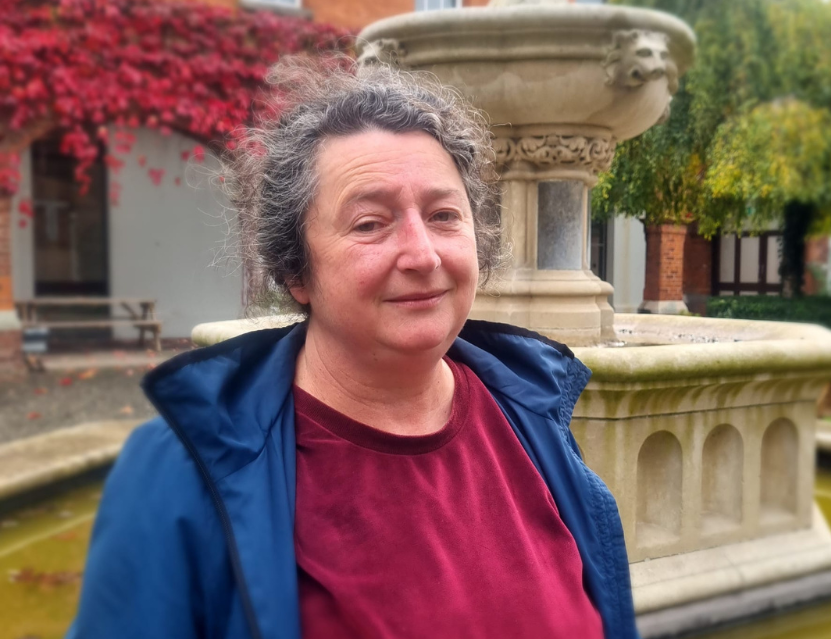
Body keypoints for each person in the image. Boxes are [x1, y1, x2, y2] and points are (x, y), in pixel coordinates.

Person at [68, 56, 638, 639]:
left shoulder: (535, 418)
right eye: (370, 224)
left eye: (444, 215)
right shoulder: (184, 468)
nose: (423, 255)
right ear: (297, 272)